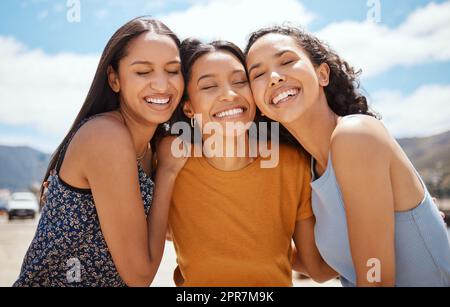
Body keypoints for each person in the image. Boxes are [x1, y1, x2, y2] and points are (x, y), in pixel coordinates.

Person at [244, 25, 450, 287]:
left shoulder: (355, 135)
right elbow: (318, 268)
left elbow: (375, 280)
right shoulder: (305, 170)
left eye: (287, 61)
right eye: (258, 74)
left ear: (322, 74)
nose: (273, 77)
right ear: (259, 105)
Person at [14, 17, 184, 287]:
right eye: (143, 72)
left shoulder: (155, 146)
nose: (162, 85)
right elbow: (140, 276)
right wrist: (167, 171)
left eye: (173, 70)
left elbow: (164, 230)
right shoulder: (106, 136)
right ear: (114, 79)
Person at [162, 38, 336, 287]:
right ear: (188, 107)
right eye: (209, 86)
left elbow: (316, 268)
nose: (229, 94)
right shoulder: (172, 164)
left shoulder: (291, 163)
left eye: (239, 81)